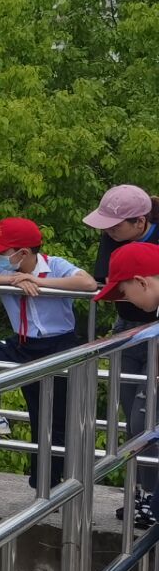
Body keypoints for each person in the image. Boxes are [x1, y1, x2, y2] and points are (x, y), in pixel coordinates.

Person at [0, 217, 96, 487]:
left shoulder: (55, 265)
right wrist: (12, 280)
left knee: (51, 420)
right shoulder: (3, 270)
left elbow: (87, 283)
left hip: (59, 346)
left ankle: (48, 483)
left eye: (2, 251)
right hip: (22, 344)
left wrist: (37, 282)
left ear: (23, 253)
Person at [85, 184, 159, 519]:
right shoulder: (113, 236)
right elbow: (103, 275)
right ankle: (144, 493)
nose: (109, 233)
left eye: (115, 227)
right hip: (130, 330)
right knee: (136, 419)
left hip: (151, 328)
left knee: (147, 419)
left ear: (140, 222)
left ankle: (152, 499)